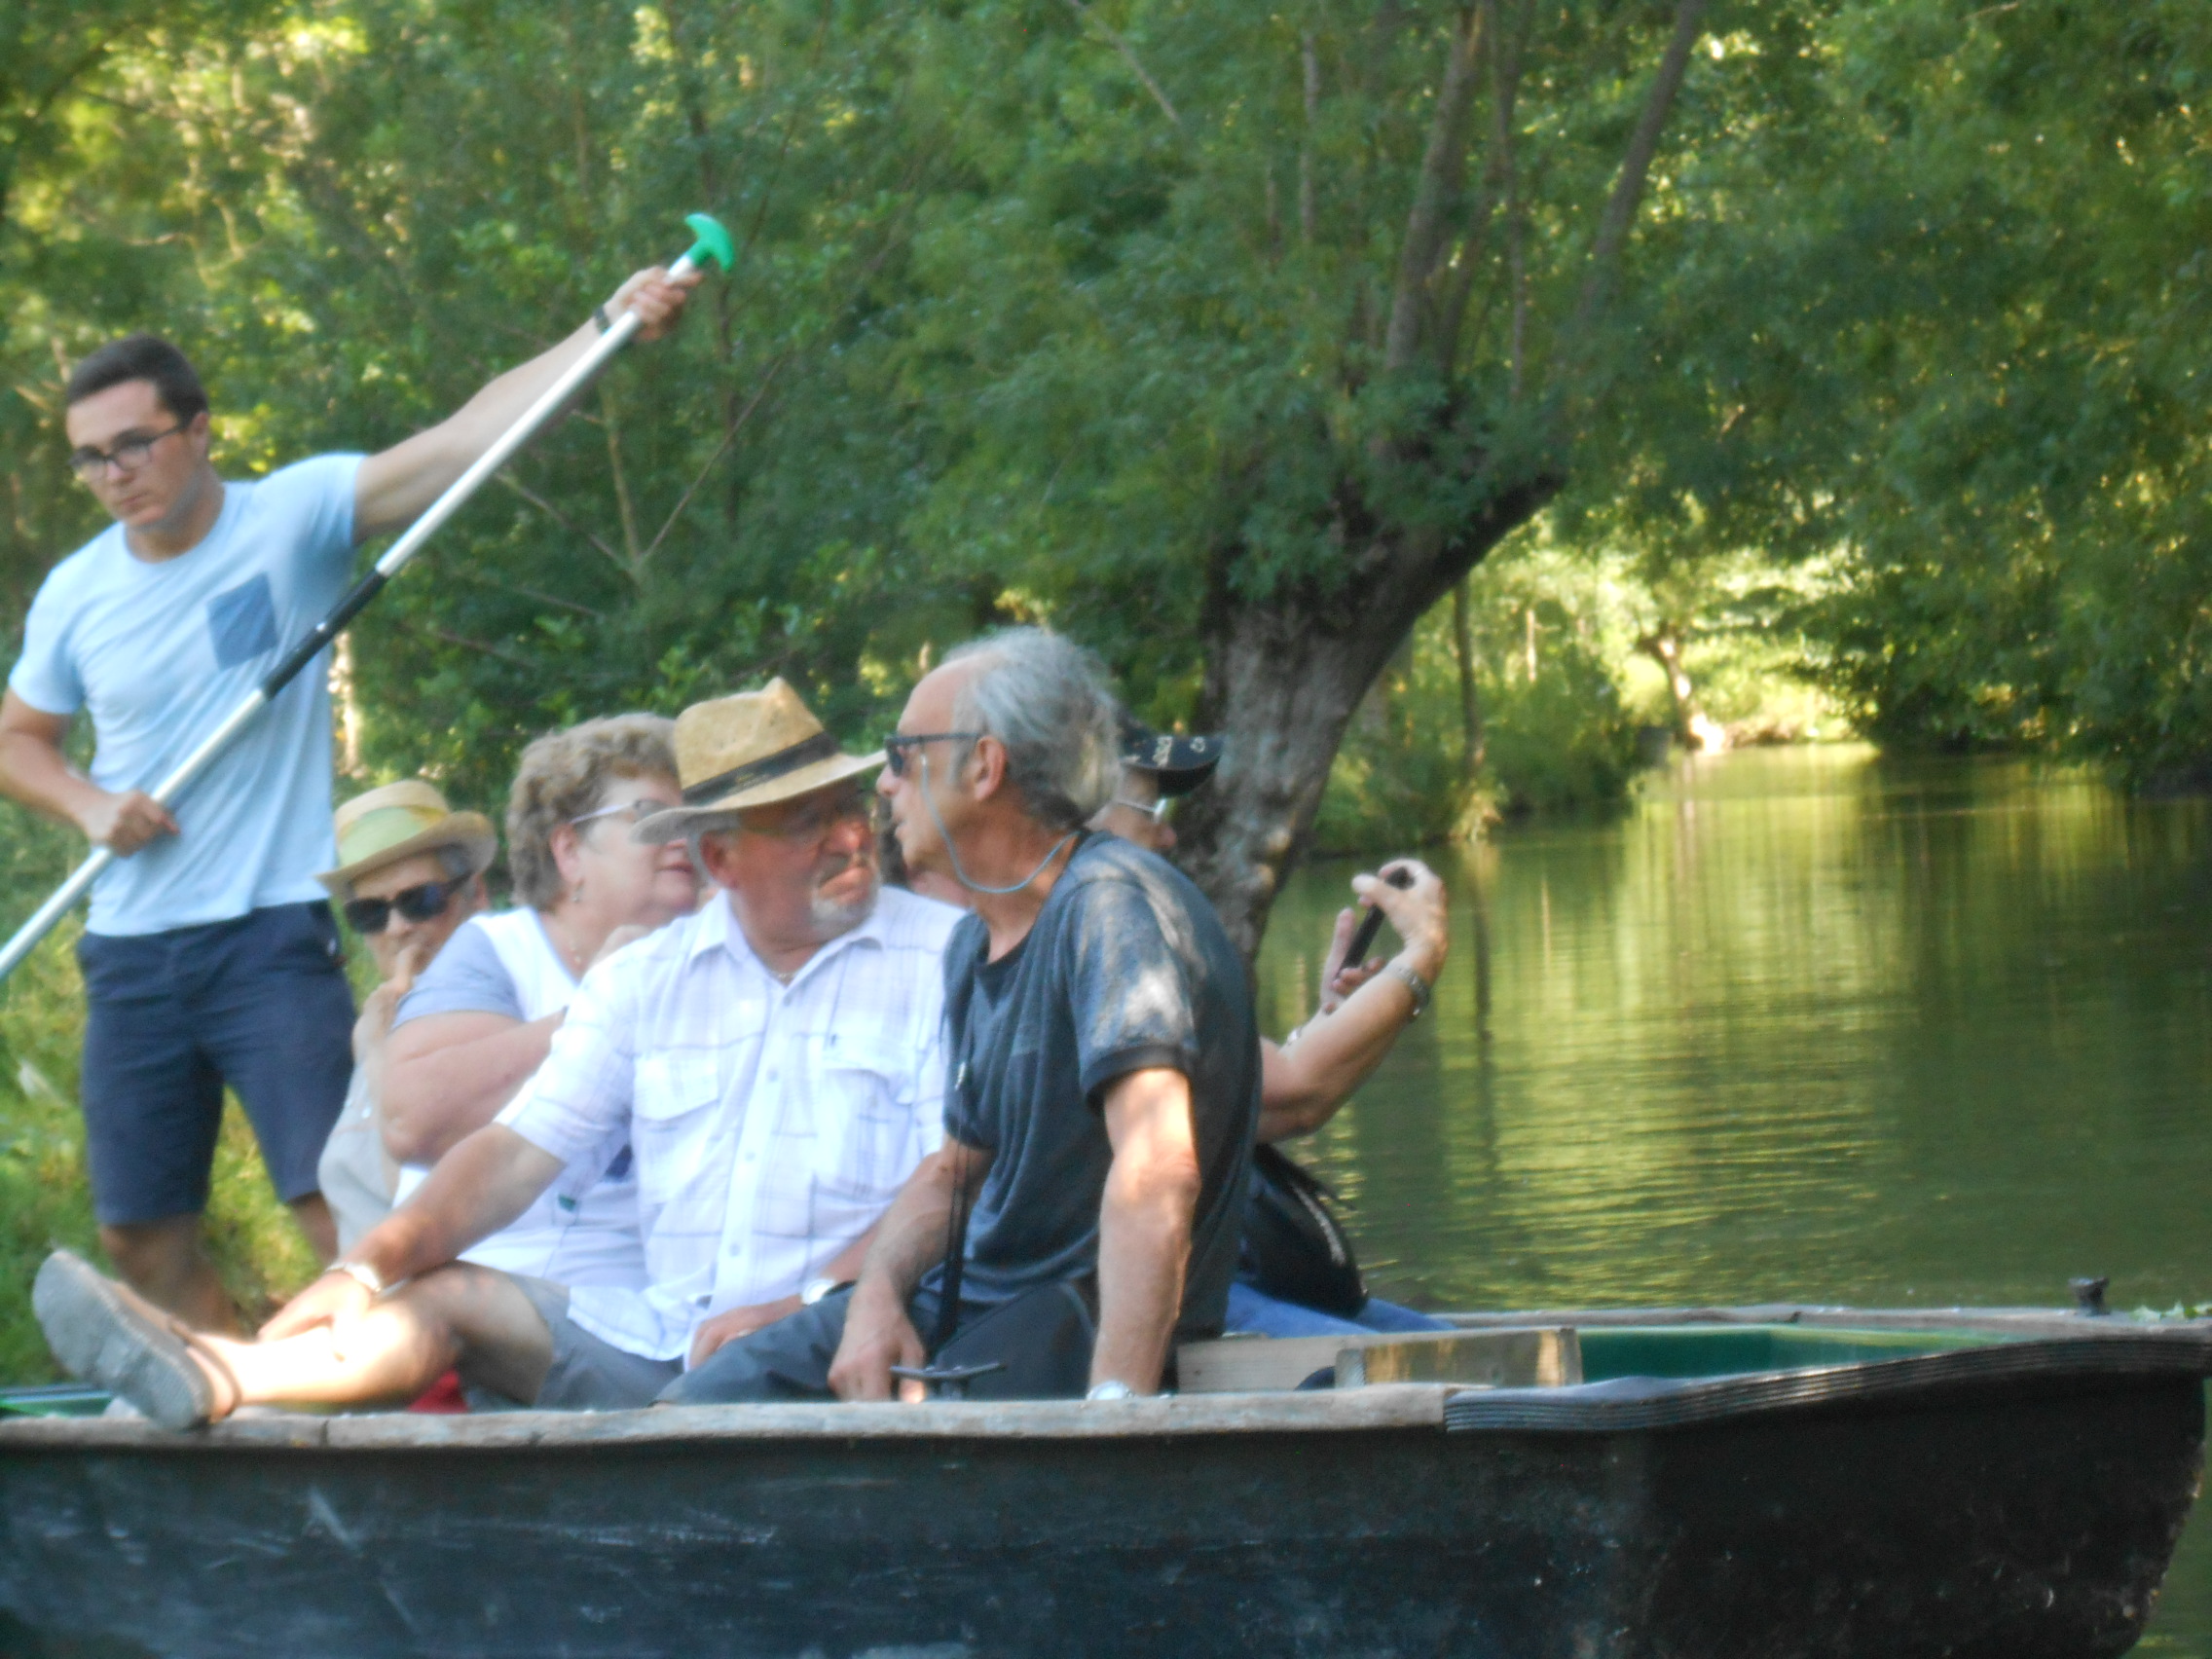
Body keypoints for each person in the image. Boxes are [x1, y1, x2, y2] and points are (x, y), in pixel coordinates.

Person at [0, 271, 696, 1331]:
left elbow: (465, 439)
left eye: (134, 443)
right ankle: (238, 1401)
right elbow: (18, 743)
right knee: (137, 1237)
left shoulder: (294, 516)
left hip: (267, 931)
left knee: (338, 1202)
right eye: (92, 456)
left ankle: (411, 1411)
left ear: (198, 431)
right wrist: (92, 807)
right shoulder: (78, 592)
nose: (113, 475)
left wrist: (601, 329)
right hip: (132, 942)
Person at [31, 682, 960, 1427]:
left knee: (691, 1376)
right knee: (429, 1294)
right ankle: (230, 1373)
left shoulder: (943, 954)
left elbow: (951, 1176)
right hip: (659, 1339)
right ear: (719, 859)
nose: (850, 837)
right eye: (807, 822)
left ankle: (211, 1375)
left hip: (838, 1335)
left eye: (847, 808)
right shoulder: (647, 978)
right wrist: (364, 1267)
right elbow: (513, 1153)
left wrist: (802, 1305)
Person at [665, 627, 1261, 1405]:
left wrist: (1116, 1416)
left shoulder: (1108, 910)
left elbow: (1156, 1170)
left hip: (1056, 1340)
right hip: (964, 1309)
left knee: (711, 1428)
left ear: (984, 766)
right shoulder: (977, 940)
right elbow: (952, 1175)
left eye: (903, 755)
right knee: (698, 1405)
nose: (883, 785)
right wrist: (873, 1301)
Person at [1096, 719, 1452, 1340]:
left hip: (1219, 1275)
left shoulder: (1106, 926)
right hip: (1164, 1299)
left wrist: (1333, 1020)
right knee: (1466, 1391)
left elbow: (1239, 1095)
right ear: (1080, 812)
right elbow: (1292, 1097)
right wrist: (1420, 953)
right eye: (1152, 806)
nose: (1170, 832)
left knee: (1464, 1361)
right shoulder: (1099, 937)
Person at [377, 715, 700, 1291]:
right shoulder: (501, 948)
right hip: (483, 1282)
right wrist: (594, 1013)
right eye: (651, 818)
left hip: (652, 1305)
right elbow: (410, 1122)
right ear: (570, 851)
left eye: (691, 819)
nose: (682, 838)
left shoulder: (720, 953)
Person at [312, 781, 497, 1253]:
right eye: (370, 913)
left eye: (421, 900)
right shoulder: (384, 1018)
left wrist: (377, 1055)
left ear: (476, 893)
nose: (397, 928)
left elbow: (420, 1213)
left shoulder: (498, 1018)